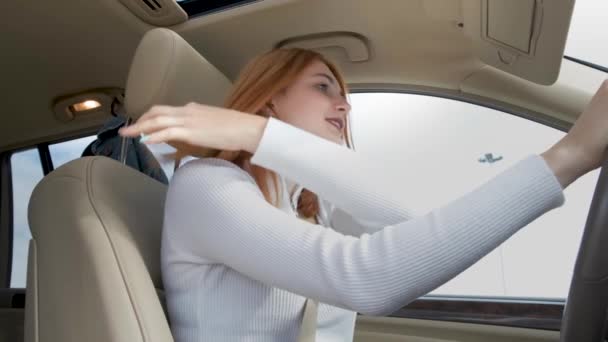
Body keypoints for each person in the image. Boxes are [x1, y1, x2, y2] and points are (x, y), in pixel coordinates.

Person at [119, 47, 608, 341]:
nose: (344, 104)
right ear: (269, 96)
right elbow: (367, 279)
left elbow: (411, 223)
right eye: (323, 86)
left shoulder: (306, 206)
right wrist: (568, 157)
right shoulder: (207, 185)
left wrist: (268, 139)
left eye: (343, 92)